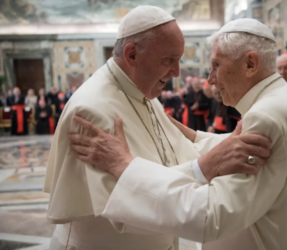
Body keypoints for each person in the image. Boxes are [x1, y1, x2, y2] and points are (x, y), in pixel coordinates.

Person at [69, 18, 287, 250]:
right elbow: (267, 154)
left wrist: (124, 166)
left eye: (216, 65)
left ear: (250, 64)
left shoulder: (266, 117)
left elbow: (210, 216)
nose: (210, 79)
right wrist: (195, 137)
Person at [44, 6, 270, 250]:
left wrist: (228, 144)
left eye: (178, 60)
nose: (176, 72)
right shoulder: (92, 110)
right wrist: (207, 166)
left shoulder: (144, 93)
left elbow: (181, 151)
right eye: (168, 61)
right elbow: (126, 210)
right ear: (132, 55)